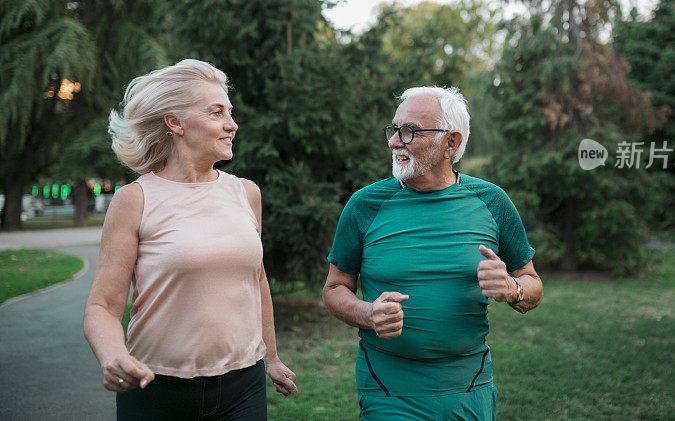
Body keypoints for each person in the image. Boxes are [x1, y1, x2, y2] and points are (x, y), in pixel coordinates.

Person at [84, 59, 298, 420]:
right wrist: (113, 355)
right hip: (156, 390)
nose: (232, 124)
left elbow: (255, 279)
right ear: (175, 122)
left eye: (230, 112)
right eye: (216, 113)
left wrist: (271, 358)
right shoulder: (135, 199)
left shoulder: (246, 193)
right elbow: (102, 307)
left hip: (242, 387)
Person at [322, 86, 543, 420]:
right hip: (388, 388)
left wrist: (513, 289)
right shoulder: (365, 204)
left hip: (468, 386)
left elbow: (532, 283)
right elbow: (334, 288)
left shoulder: (492, 201)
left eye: (409, 131)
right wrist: (368, 314)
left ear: (450, 143)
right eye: (393, 130)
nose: (394, 141)